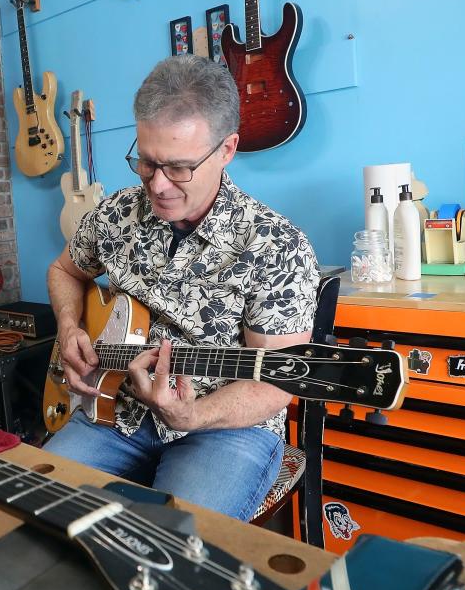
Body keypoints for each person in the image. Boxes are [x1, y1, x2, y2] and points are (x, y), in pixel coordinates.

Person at [45, 54, 319, 521]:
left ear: (227, 149)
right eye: (145, 163)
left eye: (177, 168)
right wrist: (70, 327)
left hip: (225, 428)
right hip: (115, 408)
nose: (157, 186)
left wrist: (195, 416)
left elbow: (275, 385)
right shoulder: (117, 213)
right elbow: (64, 270)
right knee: (34, 507)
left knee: (166, 545)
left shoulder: (277, 246)